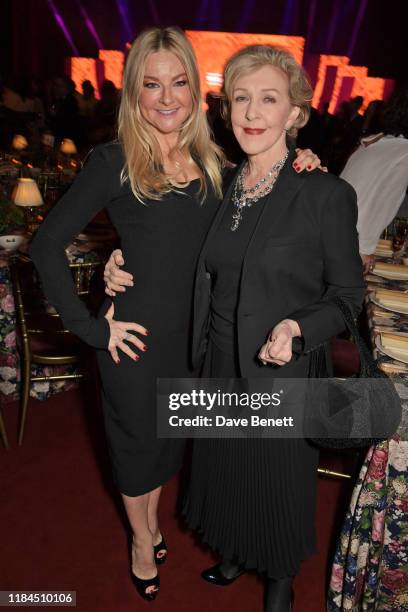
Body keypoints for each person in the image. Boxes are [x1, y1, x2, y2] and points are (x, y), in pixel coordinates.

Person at [30, 27, 320, 604]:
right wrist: (91, 326)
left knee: (173, 446)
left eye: (179, 82)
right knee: (137, 451)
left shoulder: (217, 162)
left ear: (196, 90)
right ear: (133, 93)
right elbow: (45, 246)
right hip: (133, 343)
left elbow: (246, 226)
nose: (166, 97)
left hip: (198, 343)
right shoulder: (114, 161)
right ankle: (143, 539)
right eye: (151, 84)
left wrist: (298, 160)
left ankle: (154, 523)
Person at [105, 44, 365, 611]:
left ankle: (279, 577)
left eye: (268, 100)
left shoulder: (324, 192)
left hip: (281, 368)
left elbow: (349, 298)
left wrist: (298, 327)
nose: (251, 112)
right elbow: (165, 239)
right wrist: (117, 260)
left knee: (274, 484)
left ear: (295, 114)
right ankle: (233, 551)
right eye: (241, 98)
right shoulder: (218, 181)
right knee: (224, 471)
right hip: (215, 356)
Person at [340, 86, 408, 273]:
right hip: (347, 242)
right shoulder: (403, 154)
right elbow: (382, 202)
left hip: (332, 229)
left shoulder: (377, 142)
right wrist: (365, 250)